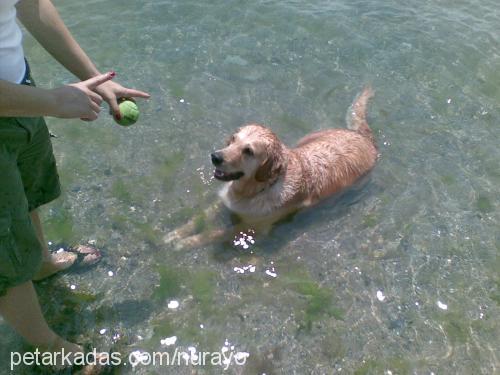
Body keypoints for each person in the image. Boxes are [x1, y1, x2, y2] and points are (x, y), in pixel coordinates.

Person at [0, 0, 150, 369]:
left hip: (20, 91)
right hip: (24, 99)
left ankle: (42, 265)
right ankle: (48, 348)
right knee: (4, 247)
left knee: (28, 192)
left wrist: (95, 78)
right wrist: (53, 100)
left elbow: (30, 5)